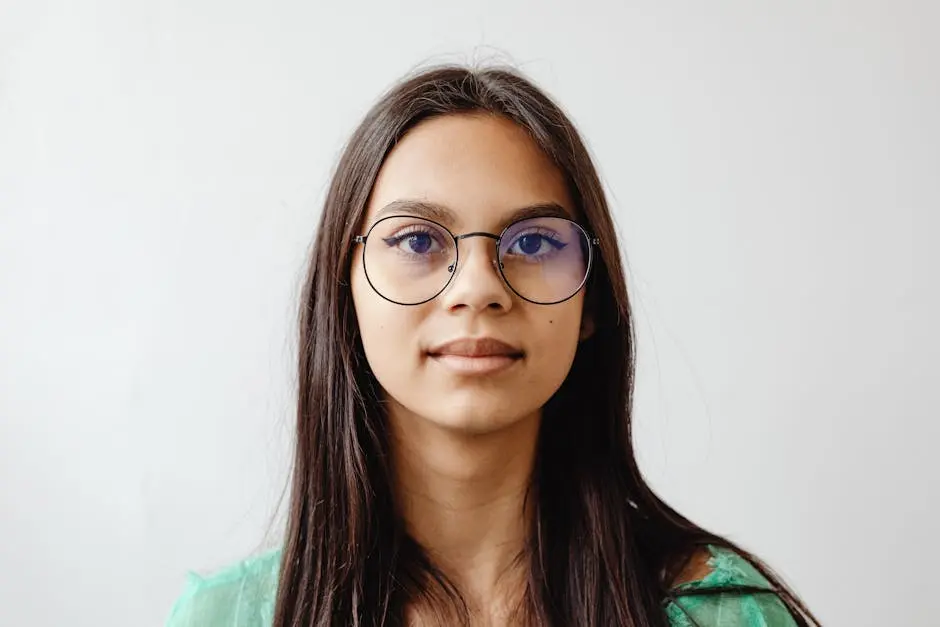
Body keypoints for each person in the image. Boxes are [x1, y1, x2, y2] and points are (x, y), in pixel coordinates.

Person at [165, 64, 819, 627]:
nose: (478, 289)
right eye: (418, 240)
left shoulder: (718, 615)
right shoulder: (225, 616)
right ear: (345, 293)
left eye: (533, 242)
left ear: (591, 300)